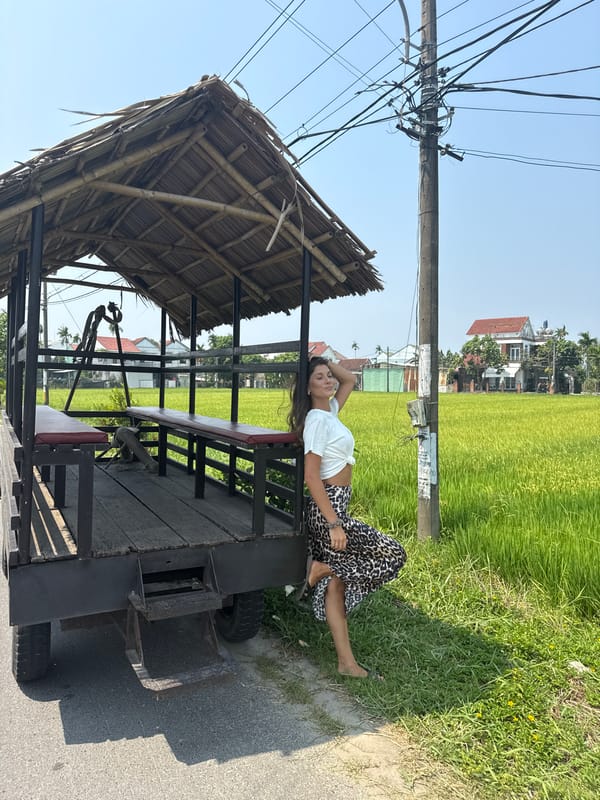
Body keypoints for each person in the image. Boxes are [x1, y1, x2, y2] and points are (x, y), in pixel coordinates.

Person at [288, 356, 407, 680]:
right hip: (328, 511)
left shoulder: (331, 412)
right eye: (320, 378)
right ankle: (321, 568)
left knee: (336, 587)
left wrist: (323, 360)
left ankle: (346, 663)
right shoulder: (316, 420)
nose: (329, 381)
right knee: (394, 554)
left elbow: (350, 380)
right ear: (307, 387)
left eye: (329, 377)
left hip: (335, 507)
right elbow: (312, 477)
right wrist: (334, 523)